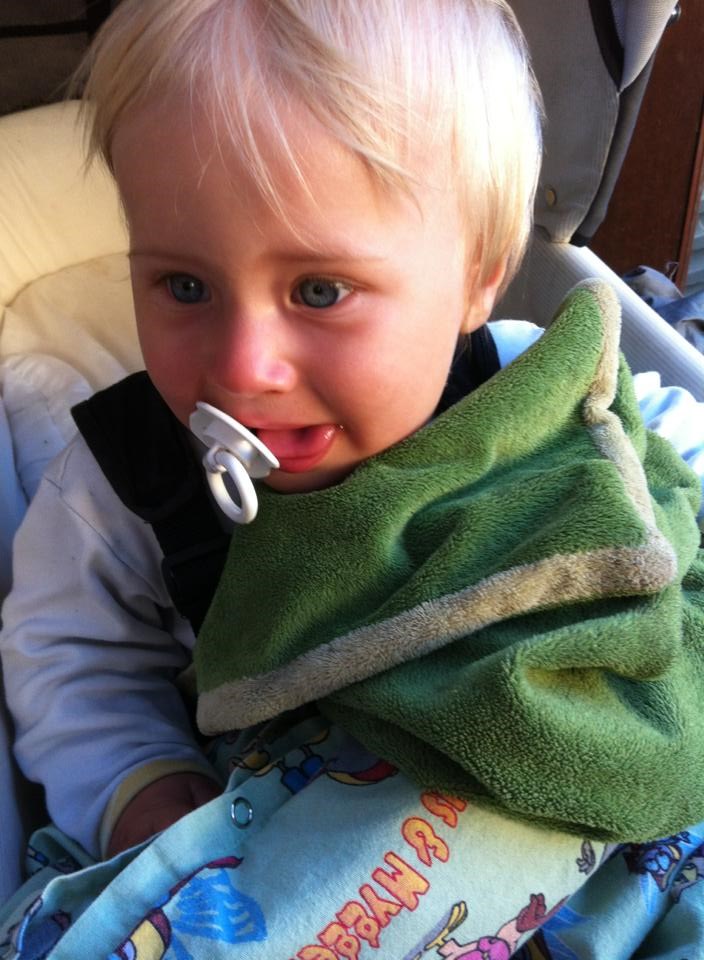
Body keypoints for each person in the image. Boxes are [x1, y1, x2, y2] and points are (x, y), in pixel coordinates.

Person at [1, 0, 703, 955]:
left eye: (320, 291)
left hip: (575, 802)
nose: (243, 367)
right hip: (289, 855)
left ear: (477, 278)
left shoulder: (532, 389)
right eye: (184, 286)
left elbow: (662, 462)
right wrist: (147, 792)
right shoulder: (124, 483)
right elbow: (72, 659)